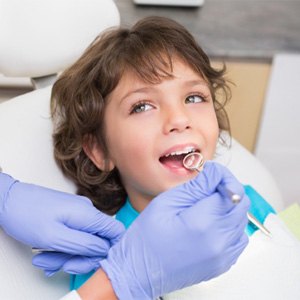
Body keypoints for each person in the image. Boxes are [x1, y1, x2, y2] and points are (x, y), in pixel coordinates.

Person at [31, 16, 255, 300]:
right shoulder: (109, 265)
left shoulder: (245, 201)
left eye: (194, 98)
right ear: (99, 150)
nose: (179, 119)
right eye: (142, 106)